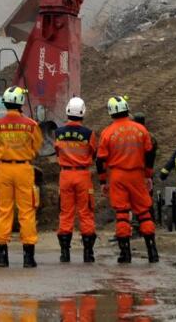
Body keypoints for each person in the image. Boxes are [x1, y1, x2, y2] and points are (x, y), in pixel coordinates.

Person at [96, 95, 158, 264]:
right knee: (144, 212)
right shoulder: (140, 130)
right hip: (137, 175)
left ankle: (125, 253)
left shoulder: (107, 133)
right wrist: (148, 174)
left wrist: (102, 181)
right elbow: (150, 152)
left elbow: (100, 160)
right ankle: (152, 251)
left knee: (122, 214)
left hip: (118, 176)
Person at [0, 86, 41, 268]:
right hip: (24, 169)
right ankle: (28, 257)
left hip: (3, 169)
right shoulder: (31, 125)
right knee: (27, 211)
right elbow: (37, 146)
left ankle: (2, 256)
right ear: (20, 102)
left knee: (3, 210)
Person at [54, 96, 98, 264]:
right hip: (82, 175)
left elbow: (57, 151)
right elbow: (93, 153)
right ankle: (88, 253)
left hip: (65, 175)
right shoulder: (88, 134)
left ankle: (65, 253)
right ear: (83, 112)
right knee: (85, 212)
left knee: (66, 213)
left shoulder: (58, 133)